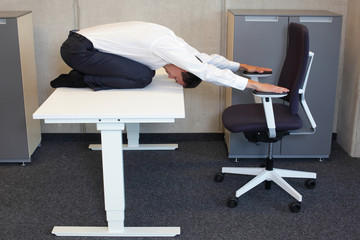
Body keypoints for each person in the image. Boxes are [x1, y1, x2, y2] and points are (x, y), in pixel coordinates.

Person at [51, 21, 288, 93]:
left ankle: (84, 74)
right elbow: (206, 72)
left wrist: (242, 66)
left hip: (82, 46)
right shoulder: (167, 49)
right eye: (178, 79)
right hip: (78, 51)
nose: (172, 78)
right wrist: (253, 85)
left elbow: (204, 59)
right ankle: (80, 80)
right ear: (185, 69)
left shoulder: (175, 48)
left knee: (146, 72)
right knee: (143, 77)